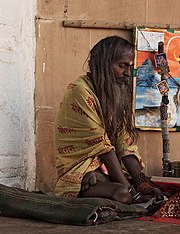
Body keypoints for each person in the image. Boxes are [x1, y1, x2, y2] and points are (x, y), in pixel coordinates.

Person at [54, 36, 163, 204]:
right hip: (78, 170)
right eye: (122, 66)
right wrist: (132, 192)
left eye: (130, 67)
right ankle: (88, 180)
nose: (127, 73)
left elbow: (123, 141)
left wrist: (141, 184)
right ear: (104, 64)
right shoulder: (80, 91)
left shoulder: (113, 93)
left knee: (152, 187)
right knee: (122, 194)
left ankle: (99, 178)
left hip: (105, 168)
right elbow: (102, 147)